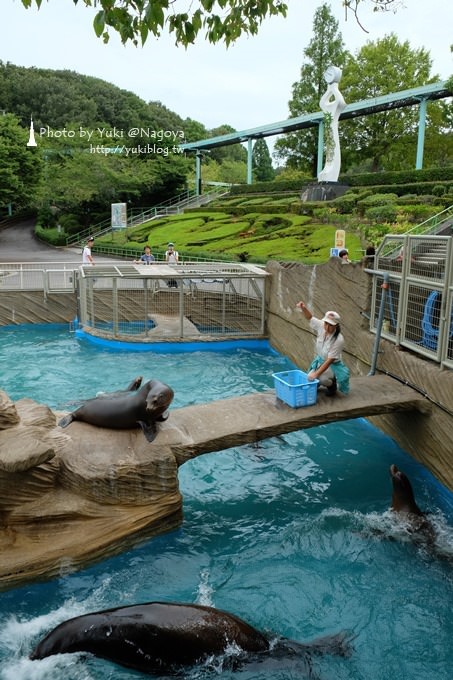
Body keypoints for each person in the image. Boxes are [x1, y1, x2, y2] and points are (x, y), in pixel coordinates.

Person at [295, 302, 350, 396]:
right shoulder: (322, 326)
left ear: (336, 325)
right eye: (326, 323)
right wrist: (303, 308)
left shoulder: (339, 340)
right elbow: (310, 318)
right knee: (309, 377)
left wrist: (316, 374)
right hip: (320, 360)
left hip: (332, 365)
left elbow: (329, 361)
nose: (327, 327)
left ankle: (332, 384)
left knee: (322, 379)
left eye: (331, 325)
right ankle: (317, 382)